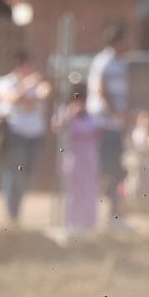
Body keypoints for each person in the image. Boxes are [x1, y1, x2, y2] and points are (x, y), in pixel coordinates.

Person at [0, 48, 53, 224]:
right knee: (13, 174)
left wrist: (28, 97)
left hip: (33, 135)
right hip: (14, 134)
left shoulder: (38, 82)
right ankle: (12, 213)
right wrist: (26, 87)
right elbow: (13, 98)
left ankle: (16, 210)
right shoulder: (4, 82)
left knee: (27, 174)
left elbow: (44, 94)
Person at [85, 22, 132, 226]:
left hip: (114, 124)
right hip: (103, 123)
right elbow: (102, 91)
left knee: (115, 170)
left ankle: (114, 214)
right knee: (103, 169)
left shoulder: (120, 63)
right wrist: (117, 113)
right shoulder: (104, 61)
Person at [59, 87, 105, 234]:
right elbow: (57, 126)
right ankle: (72, 222)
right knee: (73, 190)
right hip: (72, 157)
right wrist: (70, 114)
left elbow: (98, 133)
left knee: (89, 190)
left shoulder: (91, 115)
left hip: (89, 156)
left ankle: (89, 223)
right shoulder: (66, 112)